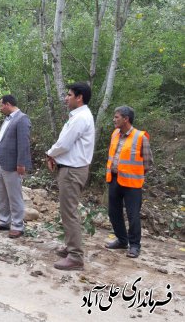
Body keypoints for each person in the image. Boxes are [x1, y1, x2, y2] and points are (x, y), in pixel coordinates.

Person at [46, 82, 94, 271]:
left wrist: (50, 153)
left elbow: (64, 143)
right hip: (70, 168)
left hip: (73, 171)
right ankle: (70, 247)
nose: (66, 98)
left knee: (69, 212)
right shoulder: (78, 116)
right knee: (67, 211)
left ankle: (75, 256)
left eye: (69, 94)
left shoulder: (81, 118)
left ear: (79, 97)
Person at [105, 106, 152, 259]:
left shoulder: (140, 137)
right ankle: (122, 240)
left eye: (117, 117)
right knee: (113, 212)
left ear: (126, 119)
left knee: (133, 215)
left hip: (132, 184)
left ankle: (134, 246)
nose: (114, 119)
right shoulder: (114, 134)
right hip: (114, 179)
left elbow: (147, 162)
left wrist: (135, 174)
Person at [0, 95, 32, 239]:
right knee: (1, 194)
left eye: (1, 105)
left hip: (13, 164)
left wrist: (21, 163)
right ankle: (4, 221)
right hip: (1, 162)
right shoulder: (8, 119)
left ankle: (18, 225)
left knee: (14, 195)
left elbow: (23, 143)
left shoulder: (22, 119)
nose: (0, 108)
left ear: (8, 104)